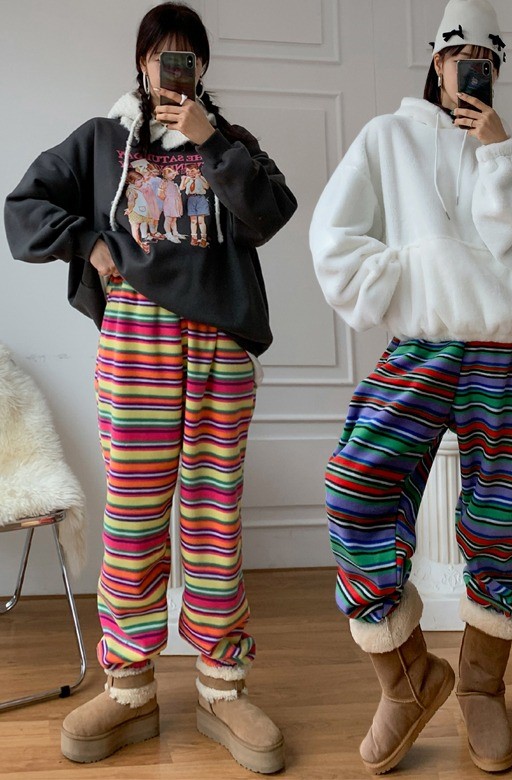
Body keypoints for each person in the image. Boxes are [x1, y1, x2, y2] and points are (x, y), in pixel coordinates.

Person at [4, 2, 296, 774]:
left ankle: (222, 688)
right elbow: (24, 208)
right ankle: (129, 687)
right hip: (136, 343)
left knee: (213, 517)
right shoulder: (103, 140)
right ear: (139, 64)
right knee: (133, 517)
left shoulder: (230, 142)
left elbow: (270, 214)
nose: (173, 68)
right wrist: (91, 244)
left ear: (202, 67)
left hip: (220, 347)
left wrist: (210, 140)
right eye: (160, 55)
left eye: (186, 56)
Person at [309, 0, 512, 773]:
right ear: (437, 60)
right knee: (354, 486)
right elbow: (334, 237)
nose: (471, 70)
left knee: (497, 524)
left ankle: (482, 686)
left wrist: (498, 152)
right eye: (461, 57)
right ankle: (408, 679)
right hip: (423, 345)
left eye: (486, 60)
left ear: (497, 68)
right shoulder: (386, 137)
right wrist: (411, 277)